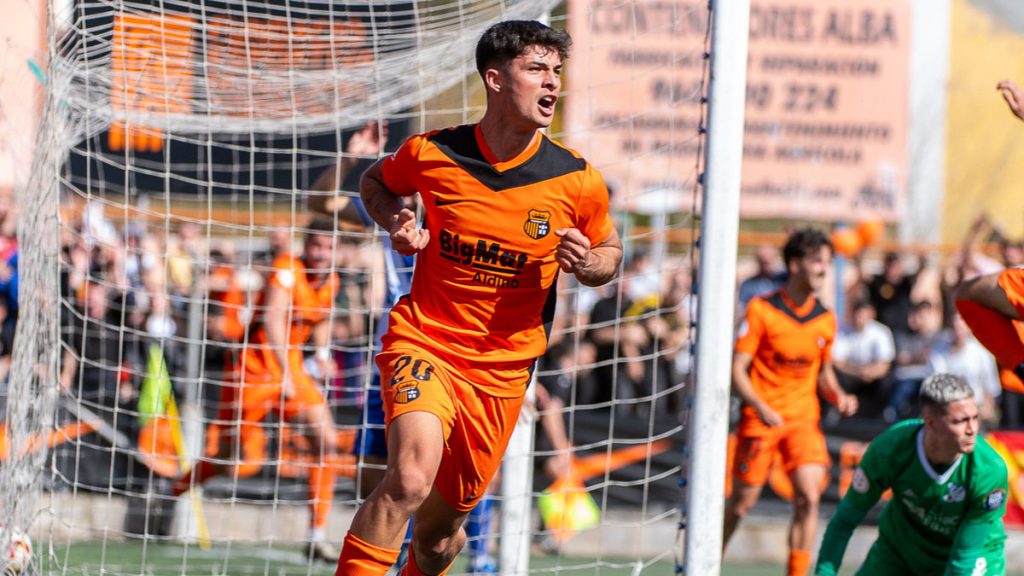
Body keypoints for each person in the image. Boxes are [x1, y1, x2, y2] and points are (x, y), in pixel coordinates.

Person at [336, 20, 623, 576]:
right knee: (408, 480)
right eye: (536, 69)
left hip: (502, 372)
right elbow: (375, 183)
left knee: (441, 540)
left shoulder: (577, 180)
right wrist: (395, 217)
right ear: (495, 79)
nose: (552, 84)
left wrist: (589, 262)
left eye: (557, 71)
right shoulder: (431, 153)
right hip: (425, 341)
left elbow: (610, 252)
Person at [168, 217, 343, 561]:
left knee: (327, 441)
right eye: (316, 246)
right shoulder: (285, 269)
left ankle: (317, 533)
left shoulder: (331, 280)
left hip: (290, 367)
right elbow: (273, 319)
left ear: (337, 250)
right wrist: (286, 374)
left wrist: (321, 357)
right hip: (255, 368)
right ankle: (175, 488)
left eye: (328, 247)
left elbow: (321, 318)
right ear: (305, 246)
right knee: (231, 458)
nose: (321, 254)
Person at [722, 228, 858, 576]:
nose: (824, 270)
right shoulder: (761, 310)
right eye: (818, 262)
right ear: (795, 264)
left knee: (809, 497)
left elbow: (824, 373)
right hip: (761, 419)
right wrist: (761, 406)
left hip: (802, 419)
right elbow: (737, 370)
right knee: (741, 504)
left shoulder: (825, 318)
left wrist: (838, 395)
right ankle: (708, 561)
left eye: (828, 263)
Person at [815, 373, 1008, 576]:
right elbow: (845, 520)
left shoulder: (989, 470)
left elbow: (964, 558)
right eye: (960, 421)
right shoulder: (890, 449)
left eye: (975, 418)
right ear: (930, 422)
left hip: (975, 556)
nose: (972, 429)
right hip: (901, 551)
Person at [832, 299, 895, 419]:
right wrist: (858, 372)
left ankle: (883, 415)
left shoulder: (881, 332)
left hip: (874, 376)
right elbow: (838, 362)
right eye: (858, 314)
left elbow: (885, 364)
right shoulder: (843, 331)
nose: (861, 319)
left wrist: (870, 372)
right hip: (851, 375)